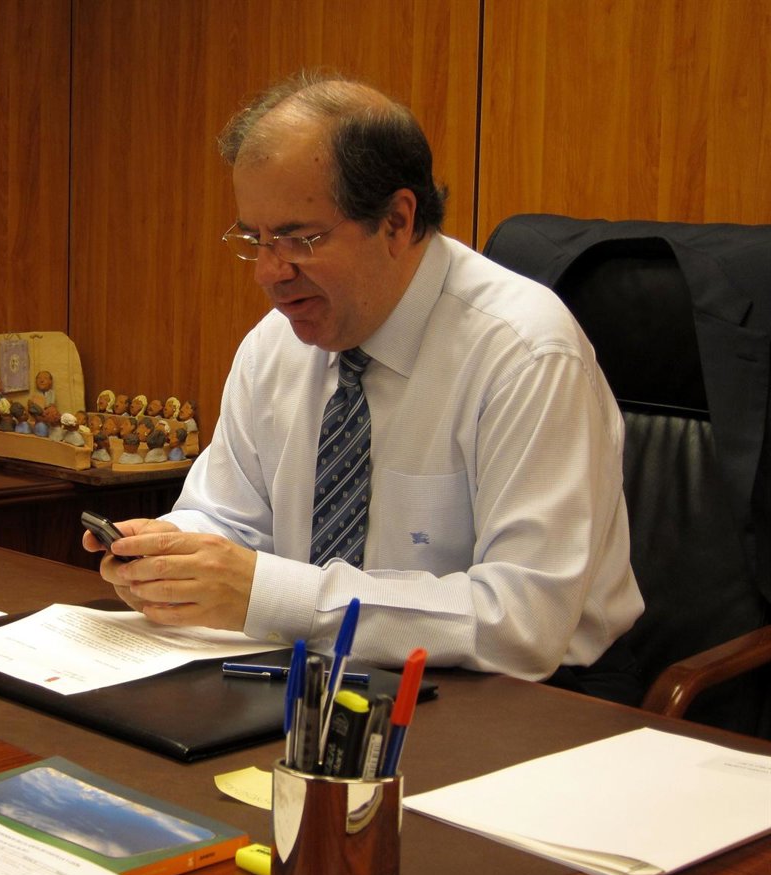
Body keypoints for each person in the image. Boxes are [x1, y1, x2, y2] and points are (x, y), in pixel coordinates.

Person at [84, 72, 644, 695]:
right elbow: (230, 519)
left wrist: (272, 594)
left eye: (298, 239)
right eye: (255, 239)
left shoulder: (525, 353)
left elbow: (524, 620)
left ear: (397, 221)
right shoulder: (276, 345)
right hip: (318, 672)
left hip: (528, 696)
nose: (268, 272)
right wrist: (172, 554)